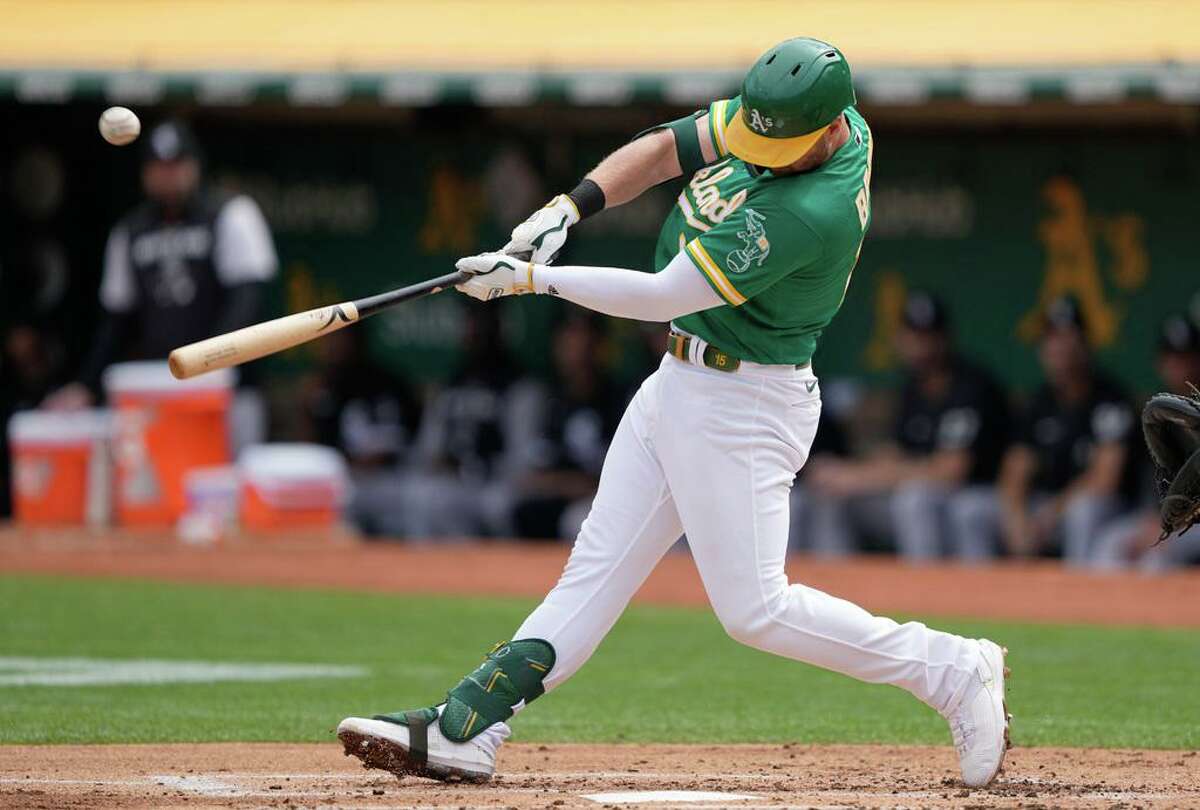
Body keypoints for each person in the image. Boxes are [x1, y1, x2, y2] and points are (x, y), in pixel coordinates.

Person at [338, 38, 1009, 788]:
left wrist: (531, 280)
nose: (758, 155)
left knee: (755, 611)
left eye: (777, 146)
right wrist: (568, 207)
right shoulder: (809, 115)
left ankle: (954, 669)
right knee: (592, 572)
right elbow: (663, 150)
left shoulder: (811, 211)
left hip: (744, 405)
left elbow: (663, 296)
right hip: (681, 382)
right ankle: (469, 727)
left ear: (827, 133)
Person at [42, 120, 277, 448]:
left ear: (194, 165)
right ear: (145, 173)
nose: (168, 175)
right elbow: (116, 321)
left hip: (228, 390)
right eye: (159, 167)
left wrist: (212, 364)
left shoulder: (230, 214)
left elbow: (248, 302)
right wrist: (87, 384)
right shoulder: (130, 231)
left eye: (176, 164)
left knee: (224, 490)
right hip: (160, 389)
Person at [806, 291, 1010, 560]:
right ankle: (839, 595)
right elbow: (897, 453)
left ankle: (926, 596)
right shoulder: (912, 388)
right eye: (913, 335)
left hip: (973, 494)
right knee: (832, 495)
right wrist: (846, 473)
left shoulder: (971, 386)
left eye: (927, 336)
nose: (920, 345)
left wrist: (859, 477)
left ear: (944, 337)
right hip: (926, 493)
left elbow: (950, 471)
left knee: (914, 500)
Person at [954, 296, 1137, 564]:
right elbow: (1015, 470)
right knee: (971, 509)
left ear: (1084, 343)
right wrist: (1016, 519)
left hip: (1099, 510)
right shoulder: (1040, 401)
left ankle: (1076, 598)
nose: (1057, 347)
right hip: (1043, 507)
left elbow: (1103, 480)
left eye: (1065, 337)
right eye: (1050, 338)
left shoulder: (1109, 399)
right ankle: (979, 599)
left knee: (1083, 511)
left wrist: (1051, 514)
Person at [1092, 314, 1200, 570]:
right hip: (1165, 519)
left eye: (1186, 357)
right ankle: (1088, 609)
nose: (1179, 366)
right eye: (1171, 357)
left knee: (1157, 558)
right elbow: (1151, 486)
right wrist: (1154, 520)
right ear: (1159, 363)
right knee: (1109, 544)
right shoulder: (1157, 414)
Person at [509, 312, 624, 540]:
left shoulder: (620, 400)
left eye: (587, 345)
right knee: (510, 506)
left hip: (598, 498)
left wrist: (587, 485)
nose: (579, 355)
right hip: (547, 494)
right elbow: (523, 473)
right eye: (570, 344)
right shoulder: (541, 397)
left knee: (580, 521)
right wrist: (563, 484)